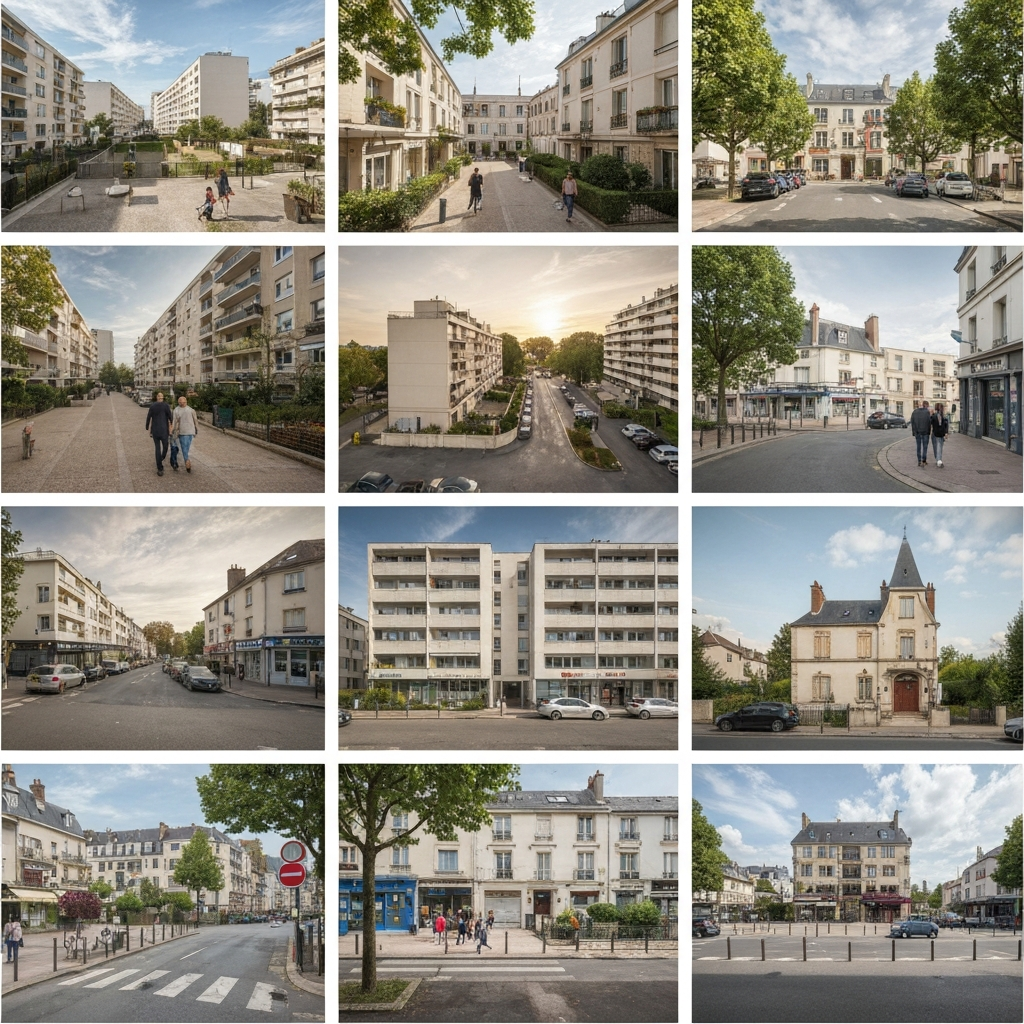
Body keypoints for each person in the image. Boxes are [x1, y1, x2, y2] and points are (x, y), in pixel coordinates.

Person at [145, 391, 174, 476]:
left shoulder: (152, 406)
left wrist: (147, 427)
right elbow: (170, 417)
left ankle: (159, 467)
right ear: (162, 397)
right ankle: (161, 458)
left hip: (155, 431)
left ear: (157, 397)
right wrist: (172, 425)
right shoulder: (166, 406)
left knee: (157, 448)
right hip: (164, 430)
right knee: (165, 446)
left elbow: (148, 417)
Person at [172, 394, 199, 473]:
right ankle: (187, 462)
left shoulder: (191, 410)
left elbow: (195, 420)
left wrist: (196, 429)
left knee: (186, 447)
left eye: (183, 402)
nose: (181, 403)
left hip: (190, 431)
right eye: (180, 402)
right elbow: (174, 421)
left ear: (186, 402)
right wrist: (172, 430)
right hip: (182, 432)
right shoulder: (176, 410)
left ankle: (186, 459)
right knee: (184, 447)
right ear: (178, 402)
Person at [909, 400, 931, 467]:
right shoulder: (927, 412)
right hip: (925, 432)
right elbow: (929, 422)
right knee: (925, 447)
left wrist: (914, 432)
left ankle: (919, 461)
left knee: (918, 446)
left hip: (917, 432)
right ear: (926, 405)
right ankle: (924, 460)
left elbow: (912, 423)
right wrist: (929, 432)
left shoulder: (914, 412)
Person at [930, 402, 949, 467]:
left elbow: (930, 423)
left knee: (937, 447)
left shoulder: (935, 416)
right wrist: (946, 433)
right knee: (938, 447)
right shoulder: (942, 416)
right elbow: (946, 425)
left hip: (936, 434)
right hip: (939, 434)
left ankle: (938, 460)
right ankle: (938, 459)